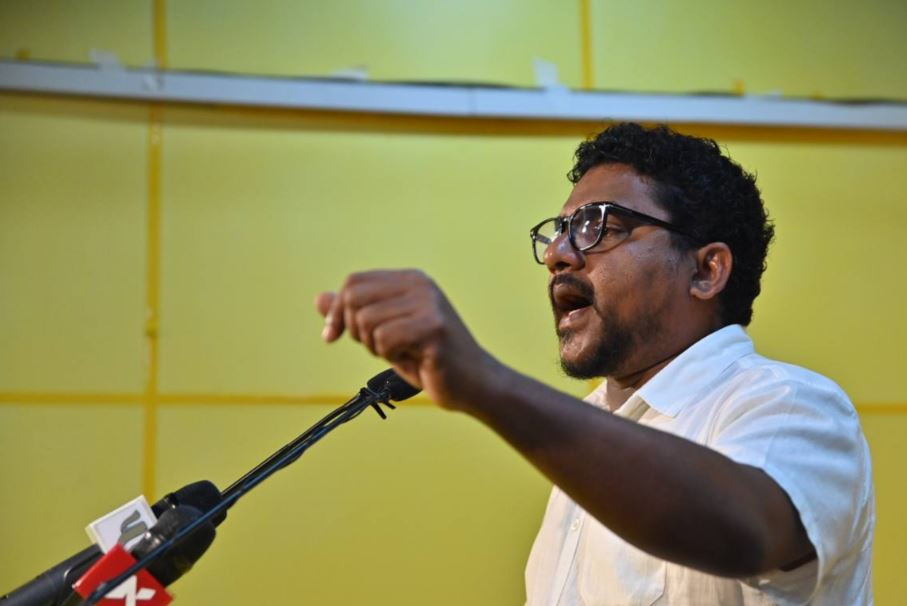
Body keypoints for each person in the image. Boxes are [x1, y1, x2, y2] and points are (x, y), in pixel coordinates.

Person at [314, 123, 873, 605]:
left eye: (599, 224)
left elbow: (744, 532)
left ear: (706, 271)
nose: (558, 254)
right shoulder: (594, 437)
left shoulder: (787, 405)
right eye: (560, 230)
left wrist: (487, 384)